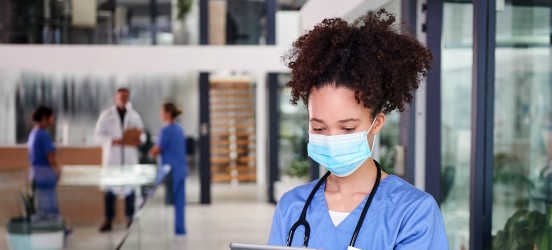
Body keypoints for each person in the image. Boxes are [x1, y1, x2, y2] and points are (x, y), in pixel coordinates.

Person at [268, 10, 448, 249]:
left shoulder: (413, 211)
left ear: (377, 123)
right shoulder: (292, 207)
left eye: (347, 128)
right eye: (319, 128)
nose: (332, 139)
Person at [95, 87, 144, 232]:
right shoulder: (106, 115)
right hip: (113, 159)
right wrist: (112, 141)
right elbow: (97, 136)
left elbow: (142, 135)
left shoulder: (134, 116)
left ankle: (130, 219)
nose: (123, 99)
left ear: (128, 98)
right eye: (121, 96)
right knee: (109, 191)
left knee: (130, 191)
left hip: (128, 158)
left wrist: (139, 140)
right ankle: (108, 220)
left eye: (126, 96)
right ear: (116, 98)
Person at [149, 103, 188, 236]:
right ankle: (180, 229)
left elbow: (157, 149)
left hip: (170, 170)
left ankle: (157, 231)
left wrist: (150, 151)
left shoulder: (165, 130)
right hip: (181, 169)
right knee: (180, 202)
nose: (160, 115)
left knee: (154, 199)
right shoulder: (179, 129)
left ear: (168, 113)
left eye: (162, 112)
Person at [27, 106, 61, 217]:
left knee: (41, 205)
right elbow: (50, 157)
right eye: (51, 117)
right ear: (44, 118)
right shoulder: (43, 135)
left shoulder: (33, 133)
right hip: (45, 174)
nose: (53, 120)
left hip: (36, 174)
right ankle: (54, 229)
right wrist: (57, 170)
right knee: (49, 207)